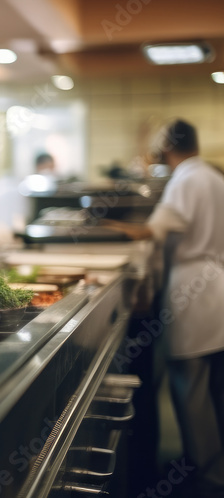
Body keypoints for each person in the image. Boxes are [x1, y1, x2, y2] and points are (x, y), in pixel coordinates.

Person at [105, 119, 224, 498]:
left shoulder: (186, 179)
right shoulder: (212, 176)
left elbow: (151, 231)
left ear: (168, 148)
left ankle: (208, 477)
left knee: (189, 388)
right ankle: (210, 468)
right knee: (210, 389)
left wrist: (104, 225)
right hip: (215, 285)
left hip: (194, 291)